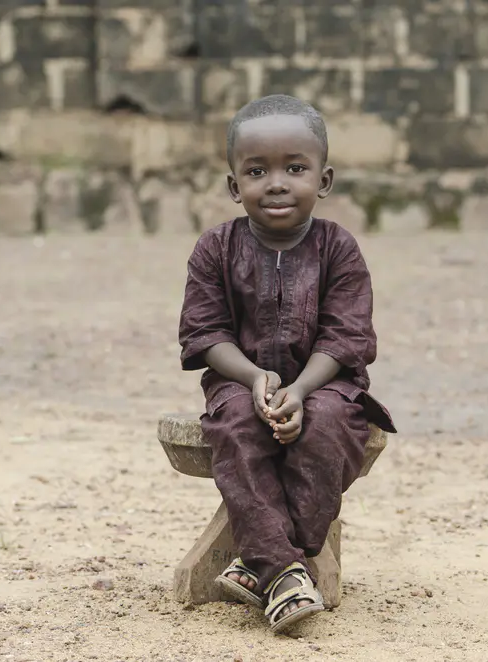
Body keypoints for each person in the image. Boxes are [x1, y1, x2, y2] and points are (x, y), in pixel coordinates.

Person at [177, 94, 396, 633]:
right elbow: (205, 334)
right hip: (237, 382)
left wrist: (298, 390)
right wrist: (254, 377)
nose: (277, 183)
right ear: (235, 187)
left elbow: (347, 336)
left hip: (327, 385)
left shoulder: (338, 249)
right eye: (257, 171)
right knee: (238, 423)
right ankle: (286, 572)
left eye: (295, 168)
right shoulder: (215, 249)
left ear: (323, 180)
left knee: (326, 427)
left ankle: (263, 564)